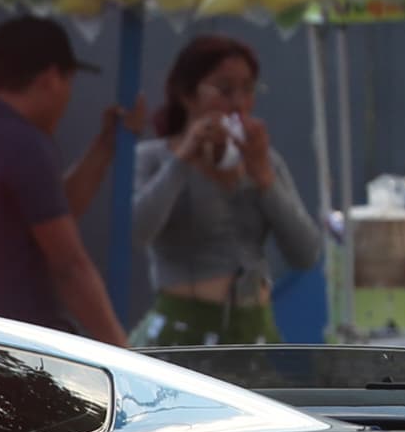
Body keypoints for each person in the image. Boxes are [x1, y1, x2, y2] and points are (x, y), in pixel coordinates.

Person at [0, 15, 127, 345]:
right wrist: (125, 353)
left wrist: (105, 144)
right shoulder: (20, 141)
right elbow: (70, 266)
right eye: (69, 82)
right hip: (19, 347)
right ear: (51, 79)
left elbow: (55, 211)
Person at [129, 32, 323, 346]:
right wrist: (182, 160)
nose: (238, 104)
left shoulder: (265, 160)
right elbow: (136, 232)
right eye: (224, 90)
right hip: (184, 331)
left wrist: (264, 179)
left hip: (254, 332)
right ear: (187, 94)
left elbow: (306, 253)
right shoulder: (154, 157)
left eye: (248, 90)